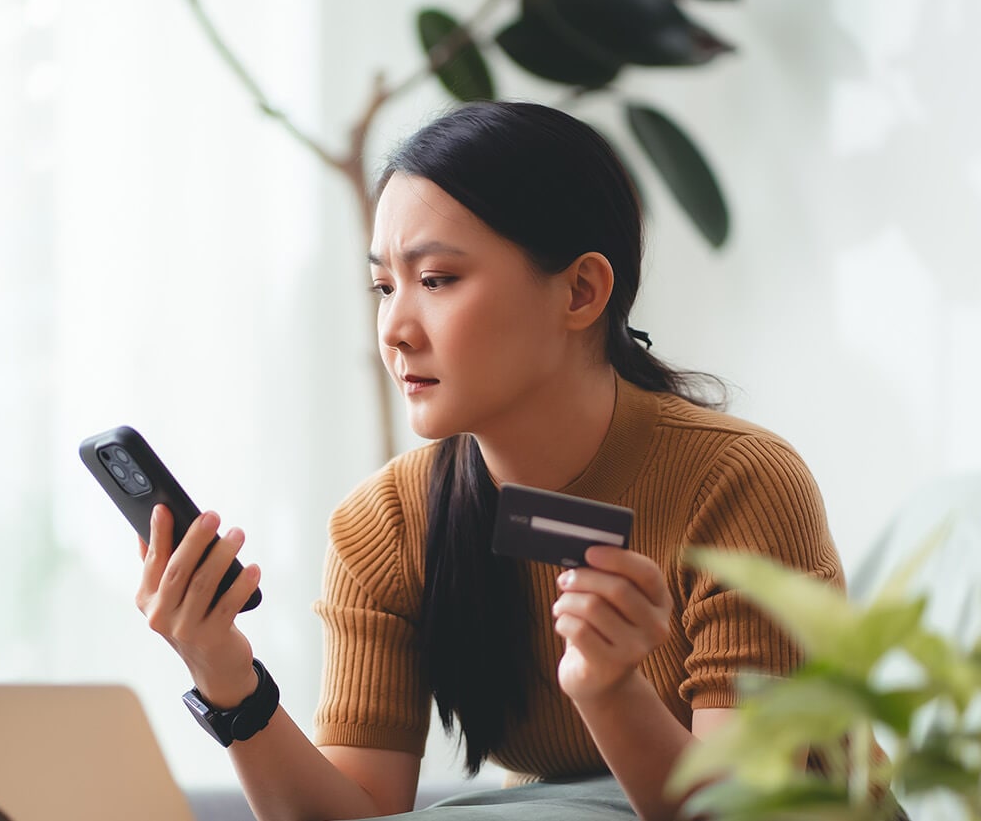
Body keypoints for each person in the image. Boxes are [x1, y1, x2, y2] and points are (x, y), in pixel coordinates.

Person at [133, 101, 842, 821]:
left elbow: (750, 813)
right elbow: (361, 810)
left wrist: (609, 687)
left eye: (437, 279)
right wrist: (226, 676)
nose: (397, 330)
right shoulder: (387, 522)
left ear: (581, 291)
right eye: (384, 287)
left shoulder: (738, 484)